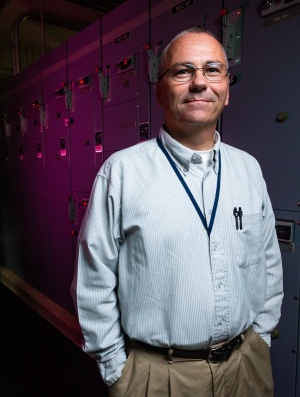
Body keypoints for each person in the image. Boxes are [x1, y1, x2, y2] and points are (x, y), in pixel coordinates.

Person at [71, 27, 283, 397]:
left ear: (227, 90)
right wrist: (116, 370)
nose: (200, 82)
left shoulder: (248, 168)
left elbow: (268, 262)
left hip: (246, 367)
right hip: (159, 376)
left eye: (213, 70)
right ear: (159, 89)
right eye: (183, 71)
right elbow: (94, 281)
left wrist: (260, 337)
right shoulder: (121, 172)